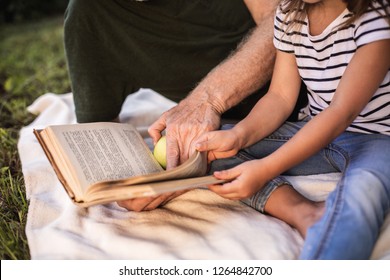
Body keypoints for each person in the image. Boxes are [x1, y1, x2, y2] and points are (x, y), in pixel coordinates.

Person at [64, 0, 308, 211]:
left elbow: (284, 18)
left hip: (316, 97)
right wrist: (153, 182)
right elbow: (100, 132)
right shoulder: (89, 17)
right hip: (239, 130)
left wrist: (206, 100)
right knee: (216, 152)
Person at [195, 0, 390, 259]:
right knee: (205, 151)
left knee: (363, 197)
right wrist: (238, 136)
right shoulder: (289, 13)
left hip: (378, 139)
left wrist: (265, 169)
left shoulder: (376, 17)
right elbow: (280, 97)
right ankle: (301, 210)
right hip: (314, 129)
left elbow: (342, 112)